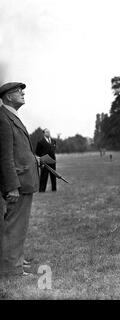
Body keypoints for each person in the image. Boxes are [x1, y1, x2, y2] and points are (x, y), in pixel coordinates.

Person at [0, 82, 40, 277]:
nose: (23, 93)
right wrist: (12, 186)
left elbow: (18, 151)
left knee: (18, 225)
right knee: (14, 225)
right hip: (18, 183)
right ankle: (11, 270)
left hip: (23, 179)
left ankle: (14, 261)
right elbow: (5, 156)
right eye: (18, 91)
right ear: (7, 96)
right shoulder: (3, 118)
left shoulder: (11, 116)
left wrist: (34, 159)